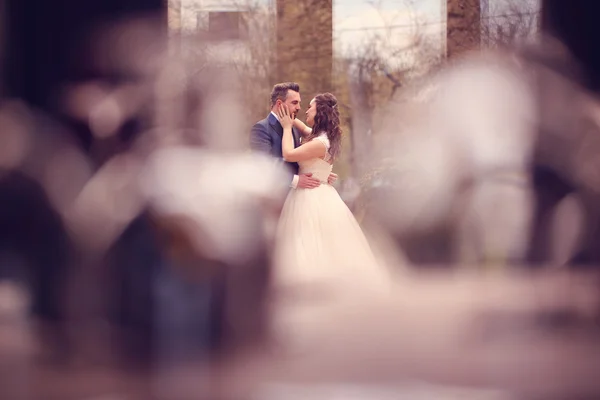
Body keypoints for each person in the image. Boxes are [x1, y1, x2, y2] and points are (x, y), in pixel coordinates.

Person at [272, 92, 390, 295]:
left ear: (320, 112)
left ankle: (312, 287)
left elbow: (288, 154)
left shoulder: (319, 143)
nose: (306, 110)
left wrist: (286, 127)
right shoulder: (322, 136)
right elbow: (303, 127)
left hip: (310, 196)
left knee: (308, 239)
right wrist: (289, 117)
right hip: (319, 191)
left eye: (310, 106)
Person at [250, 82, 337, 189]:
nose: (299, 107)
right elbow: (263, 165)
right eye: (295, 103)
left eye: (299, 103)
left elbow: (300, 158)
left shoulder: (294, 128)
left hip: (299, 195)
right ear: (279, 104)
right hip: (274, 198)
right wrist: (295, 180)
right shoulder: (261, 128)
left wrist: (320, 173)